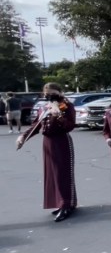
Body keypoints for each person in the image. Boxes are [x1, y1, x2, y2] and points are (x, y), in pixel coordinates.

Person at [16, 83, 77, 222]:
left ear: (60, 92)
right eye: (46, 93)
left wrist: (59, 115)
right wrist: (23, 137)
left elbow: (70, 125)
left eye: (52, 92)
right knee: (52, 174)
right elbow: (36, 126)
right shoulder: (45, 107)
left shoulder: (67, 106)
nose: (48, 95)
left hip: (61, 141)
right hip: (48, 143)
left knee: (63, 173)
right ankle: (62, 202)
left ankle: (66, 204)